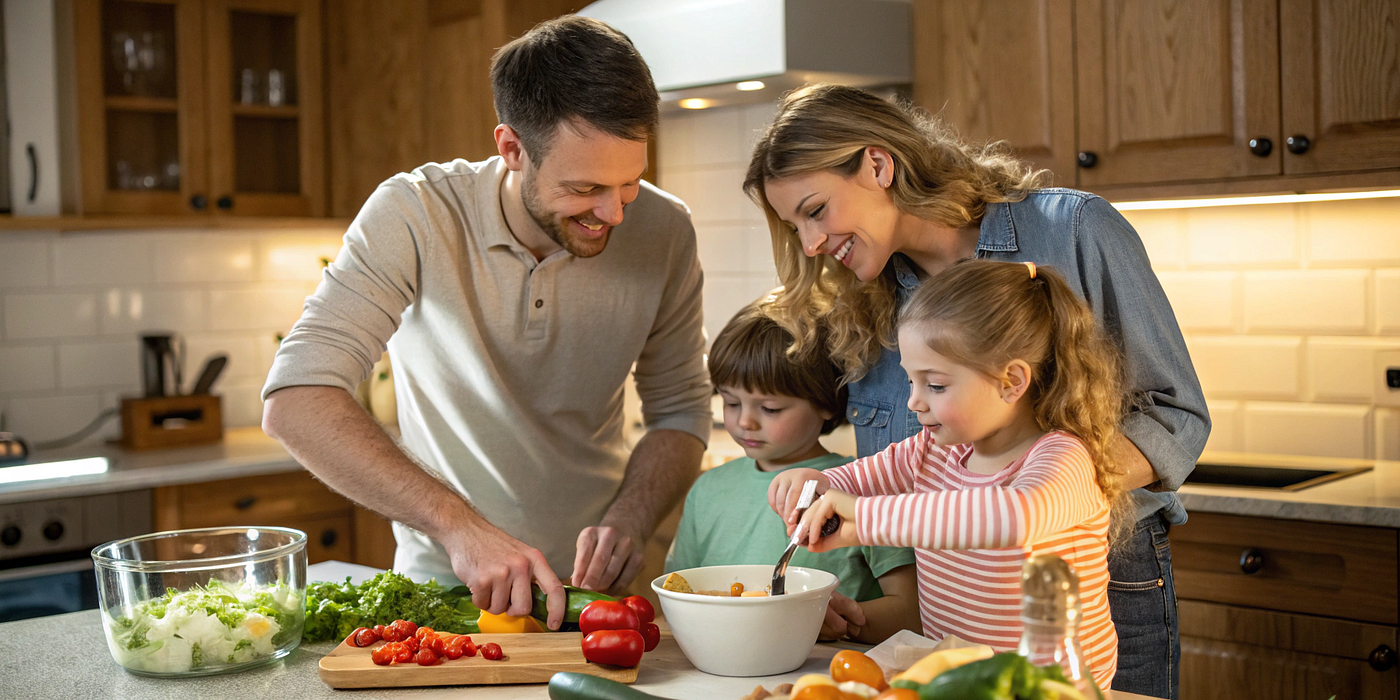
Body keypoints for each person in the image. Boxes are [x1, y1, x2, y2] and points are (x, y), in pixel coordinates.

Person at [744, 84, 1208, 700]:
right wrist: (821, 485)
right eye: (793, 224)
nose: (809, 244)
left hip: (1086, 587)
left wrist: (1044, 487)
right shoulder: (865, 293)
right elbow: (895, 467)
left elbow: (1174, 418)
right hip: (949, 611)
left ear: (878, 165)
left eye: (815, 210)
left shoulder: (1071, 230)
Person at [260, 16, 712, 630]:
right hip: (446, 594)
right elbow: (297, 399)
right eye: (585, 188)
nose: (613, 213)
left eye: (628, 184)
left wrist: (633, 515)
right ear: (512, 149)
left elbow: (682, 410)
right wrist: (460, 527)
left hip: (603, 596)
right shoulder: (415, 213)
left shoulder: (666, 230)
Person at [773, 260, 1126, 688]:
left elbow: (1012, 517)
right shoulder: (933, 451)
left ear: (1011, 381)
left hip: (1051, 689)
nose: (914, 402)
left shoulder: (1063, 458)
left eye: (935, 385)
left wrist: (865, 519)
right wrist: (811, 484)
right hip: (957, 682)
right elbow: (852, 480)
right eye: (910, 382)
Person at [664, 302, 921, 643]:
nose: (744, 422)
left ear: (827, 404)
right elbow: (677, 594)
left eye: (770, 408)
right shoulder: (708, 489)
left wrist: (832, 620)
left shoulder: (863, 486)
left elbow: (911, 614)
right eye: (730, 402)